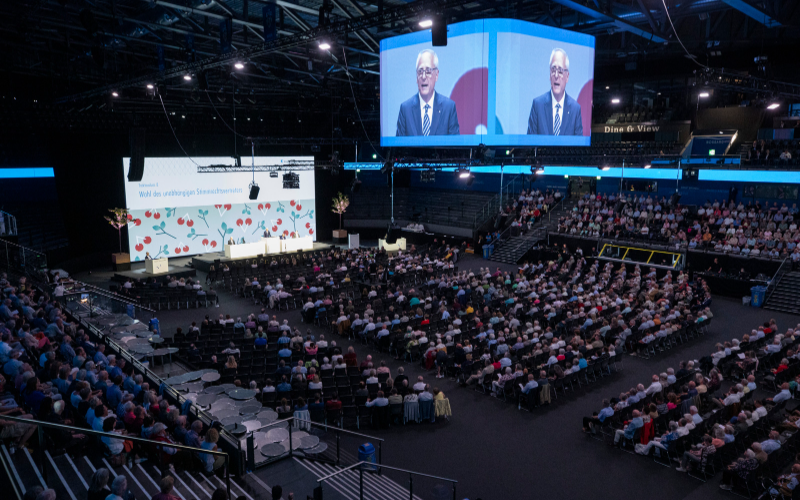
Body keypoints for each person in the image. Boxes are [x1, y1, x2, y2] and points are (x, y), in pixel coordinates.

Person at [395, 49, 459, 137]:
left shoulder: (449, 107)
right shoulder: (405, 109)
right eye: (420, 71)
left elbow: (455, 147)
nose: (424, 77)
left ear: (436, 75)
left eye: (428, 71)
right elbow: (399, 148)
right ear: (416, 76)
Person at [527, 48, 583, 136]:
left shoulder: (575, 109)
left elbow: (578, 148)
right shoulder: (537, 105)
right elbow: (529, 145)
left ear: (567, 76)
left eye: (560, 71)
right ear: (550, 74)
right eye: (553, 70)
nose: (556, 75)